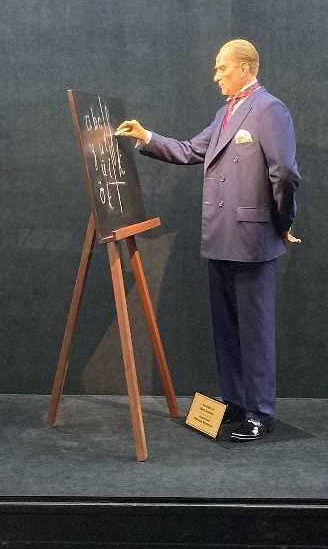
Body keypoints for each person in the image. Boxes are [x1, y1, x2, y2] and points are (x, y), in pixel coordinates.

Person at [115, 39, 300, 442]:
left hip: (252, 239)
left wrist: (282, 221)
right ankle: (235, 401)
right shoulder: (224, 114)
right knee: (226, 327)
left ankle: (260, 411)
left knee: (255, 329)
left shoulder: (269, 109)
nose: (216, 76)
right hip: (219, 236)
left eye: (222, 68)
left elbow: (284, 173)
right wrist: (147, 136)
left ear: (246, 67)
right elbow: (189, 150)